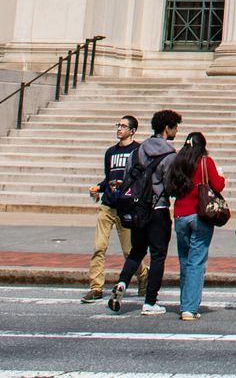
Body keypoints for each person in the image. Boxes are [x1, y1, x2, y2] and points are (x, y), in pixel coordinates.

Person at [110, 108, 180, 316]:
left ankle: (122, 282)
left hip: (138, 207)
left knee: (137, 250)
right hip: (158, 208)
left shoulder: (137, 150)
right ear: (167, 128)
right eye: (175, 127)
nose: (176, 131)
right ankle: (150, 301)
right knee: (158, 255)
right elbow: (171, 185)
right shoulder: (170, 154)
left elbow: (128, 176)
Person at [169, 131, 226, 321]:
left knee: (185, 260)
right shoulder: (205, 162)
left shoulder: (179, 162)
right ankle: (189, 307)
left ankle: (185, 302)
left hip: (180, 214)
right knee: (196, 261)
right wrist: (222, 176)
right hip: (199, 214)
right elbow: (217, 185)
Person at [85, 114, 142, 302]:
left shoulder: (138, 151)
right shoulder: (110, 152)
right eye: (118, 125)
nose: (119, 129)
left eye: (123, 126)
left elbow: (140, 178)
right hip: (107, 205)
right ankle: (96, 287)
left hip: (126, 206)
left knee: (129, 251)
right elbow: (108, 178)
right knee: (99, 247)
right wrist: (98, 188)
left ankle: (143, 276)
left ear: (132, 131)